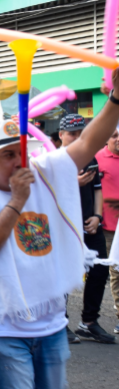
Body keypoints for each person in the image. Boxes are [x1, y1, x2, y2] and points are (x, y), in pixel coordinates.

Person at [0, 73, 119, 389]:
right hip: (0, 326)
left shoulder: (43, 170)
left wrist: (116, 99)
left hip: (50, 323)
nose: (19, 161)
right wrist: (16, 201)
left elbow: (88, 142)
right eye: (8, 155)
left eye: (22, 152)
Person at [57, 114, 115, 344]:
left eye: (81, 132)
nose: (77, 137)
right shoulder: (53, 159)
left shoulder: (90, 156)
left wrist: (97, 216)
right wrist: (73, 180)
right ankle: (59, 322)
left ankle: (89, 323)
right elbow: (46, 193)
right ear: (60, 134)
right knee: (63, 276)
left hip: (90, 225)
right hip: (64, 227)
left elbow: (97, 189)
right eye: (72, 133)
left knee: (100, 271)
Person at [96, 127, 119, 334]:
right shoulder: (98, 158)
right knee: (116, 271)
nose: (118, 139)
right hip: (109, 228)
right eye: (114, 135)